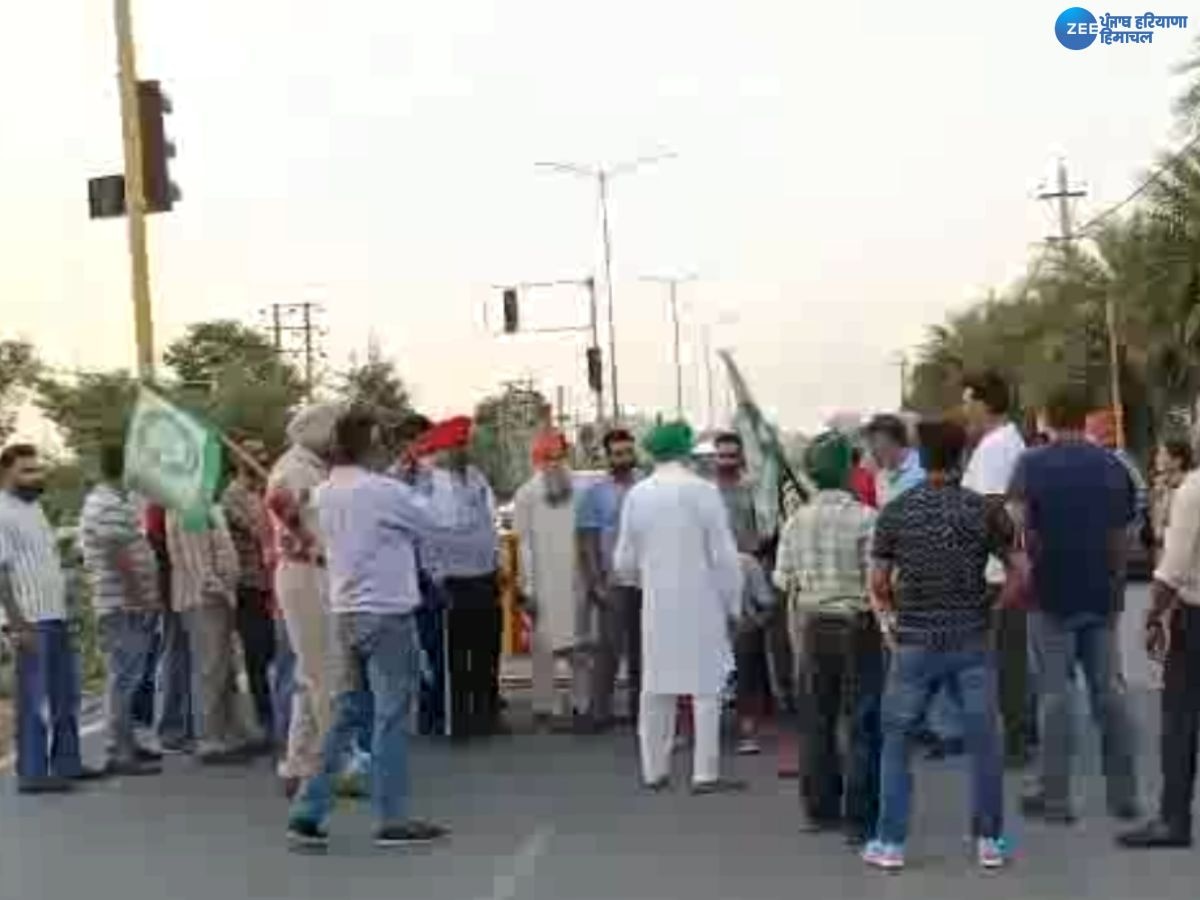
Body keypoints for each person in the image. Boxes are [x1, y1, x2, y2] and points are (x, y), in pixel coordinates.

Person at [286, 407, 460, 848]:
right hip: (387, 614)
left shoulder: (326, 492)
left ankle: (309, 809)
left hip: (345, 612)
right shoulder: (383, 492)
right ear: (370, 444)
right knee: (391, 716)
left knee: (348, 714)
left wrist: (401, 478)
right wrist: (431, 474)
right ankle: (392, 818)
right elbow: (442, 521)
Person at [864, 419, 1023, 872]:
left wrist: (894, 616)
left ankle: (890, 843)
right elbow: (1021, 570)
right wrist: (994, 611)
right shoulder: (984, 511)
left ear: (920, 453)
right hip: (971, 637)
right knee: (984, 742)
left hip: (914, 641)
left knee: (896, 741)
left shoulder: (897, 511)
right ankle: (990, 841)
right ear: (961, 457)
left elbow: (878, 582)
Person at [1013, 387, 1140, 826]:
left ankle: (1056, 797)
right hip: (1100, 595)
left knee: (1054, 696)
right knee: (1109, 694)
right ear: (1083, 418)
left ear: (1046, 417)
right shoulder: (1113, 465)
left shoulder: (1031, 464)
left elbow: (1020, 529)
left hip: (1050, 595)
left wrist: (1023, 575)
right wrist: (1115, 584)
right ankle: (1125, 796)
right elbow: (1125, 537)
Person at [613, 420, 744, 794]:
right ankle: (705, 773)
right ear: (686, 451)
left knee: (656, 687)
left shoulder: (638, 495)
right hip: (702, 603)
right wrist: (733, 604)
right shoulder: (703, 492)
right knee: (705, 688)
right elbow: (723, 556)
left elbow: (623, 560)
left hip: (656, 605)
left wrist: (647, 582)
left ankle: (654, 770)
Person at [773, 432, 879, 845]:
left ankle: (820, 808)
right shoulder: (866, 518)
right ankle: (860, 817)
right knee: (861, 722)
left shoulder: (796, 522)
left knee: (817, 721)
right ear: (846, 470)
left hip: (814, 626)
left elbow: (783, 579)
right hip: (858, 625)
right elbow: (879, 579)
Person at [0, 443, 109, 793]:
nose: (36, 476)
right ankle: (32, 772)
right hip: (30, 619)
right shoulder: (2, 512)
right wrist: (18, 624)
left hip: (56, 614)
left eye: (37, 469)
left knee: (66, 694)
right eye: (26, 471)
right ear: (6, 474)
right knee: (33, 699)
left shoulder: (34, 510)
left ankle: (68, 762)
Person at [1119, 427, 1200, 849]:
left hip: (1195, 616)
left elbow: (1174, 566)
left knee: (1180, 723)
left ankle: (1173, 820)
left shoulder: (1192, 492)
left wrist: (1152, 617)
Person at [266, 402, 343, 792]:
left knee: (310, 675)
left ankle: (299, 763)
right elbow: (281, 505)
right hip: (304, 571)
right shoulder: (293, 468)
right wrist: (308, 530)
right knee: (324, 675)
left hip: (315, 572)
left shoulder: (310, 466)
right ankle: (337, 763)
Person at [78, 441, 162, 776]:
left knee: (129, 674)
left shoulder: (115, 501)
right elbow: (118, 555)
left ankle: (126, 743)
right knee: (124, 678)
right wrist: (138, 596)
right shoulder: (106, 503)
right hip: (122, 602)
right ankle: (119, 751)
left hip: (124, 599)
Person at [417, 417, 502, 741]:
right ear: (442, 449)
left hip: (484, 575)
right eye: (457, 445)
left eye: (465, 444)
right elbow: (425, 531)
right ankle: (458, 719)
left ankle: (486, 715)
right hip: (451, 580)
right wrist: (434, 573)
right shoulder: (427, 481)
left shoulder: (476, 476)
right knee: (455, 654)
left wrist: (497, 563)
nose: (463, 450)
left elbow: (488, 521)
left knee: (486, 651)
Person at [961, 370, 1030, 767]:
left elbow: (989, 509)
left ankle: (1016, 740)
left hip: (996, 571)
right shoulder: (1003, 442)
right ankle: (1021, 734)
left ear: (986, 403)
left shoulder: (994, 448)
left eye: (969, 400)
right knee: (1008, 658)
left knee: (1005, 660)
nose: (965, 409)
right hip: (1002, 568)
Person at [166, 503, 259, 764]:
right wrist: (217, 587)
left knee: (222, 668)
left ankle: (227, 734)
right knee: (210, 668)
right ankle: (211, 740)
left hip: (214, 597)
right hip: (204, 598)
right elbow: (197, 559)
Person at [513, 429, 585, 728]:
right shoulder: (526, 494)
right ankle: (544, 703)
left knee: (579, 644)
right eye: (548, 459)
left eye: (559, 457)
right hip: (542, 580)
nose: (554, 464)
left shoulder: (580, 490)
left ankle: (583, 702)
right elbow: (524, 543)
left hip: (575, 578)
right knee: (543, 646)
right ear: (537, 462)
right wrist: (528, 586)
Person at [576, 427, 643, 732]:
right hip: (612, 583)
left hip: (647, 582)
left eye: (628, 452)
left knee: (644, 650)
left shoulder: (647, 488)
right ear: (607, 456)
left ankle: (641, 711)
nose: (624, 458)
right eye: (617, 453)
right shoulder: (595, 493)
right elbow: (587, 540)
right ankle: (598, 711)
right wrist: (594, 582)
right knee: (607, 649)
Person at [711, 431, 774, 755]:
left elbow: (766, 530)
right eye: (721, 455)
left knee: (748, 650)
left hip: (748, 571)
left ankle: (751, 722)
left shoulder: (752, 489)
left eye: (732, 455)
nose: (726, 461)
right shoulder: (706, 493)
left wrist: (751, 559)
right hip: (711, 577)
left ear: (741, 457)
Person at [221, 438, 276, 739]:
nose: (263, 460)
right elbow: (258, 531)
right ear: (241, 461)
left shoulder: (262, 491)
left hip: (270, 582)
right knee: (257, 654)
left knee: (273, 650)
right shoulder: (233, 496)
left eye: (264, 455)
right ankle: (264, 718)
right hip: (248, 583)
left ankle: (275, 714)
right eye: (256, 456)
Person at [143, 501, 193, 753]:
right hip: (171, 587)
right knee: (175, 656)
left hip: (181, 586)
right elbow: (156, 546)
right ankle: (171, 729)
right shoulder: (159, 502)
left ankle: (185, 725)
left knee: (185, 657)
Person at [864, 414, 923, 507]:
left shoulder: (921, 470)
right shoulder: (881, 475)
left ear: (894, 441)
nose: (873, 449)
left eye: (875, 441)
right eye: (870, 442)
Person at [1150, 437, 1193, 560]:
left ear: (1177, 461)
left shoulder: (1188, 487)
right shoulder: (1160, 487)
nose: (1157, 458)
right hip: (1162, 547)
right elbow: (1156, 525)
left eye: (1163, 454)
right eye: (1158, 454)